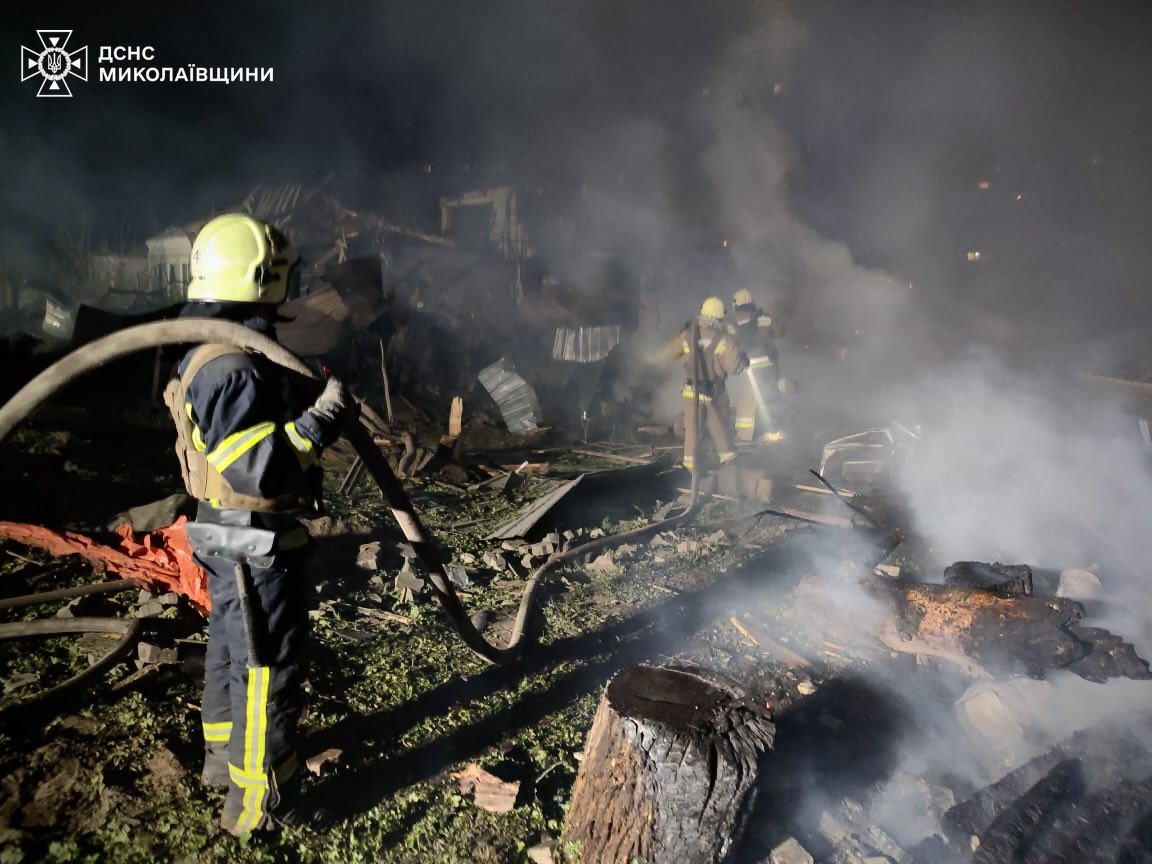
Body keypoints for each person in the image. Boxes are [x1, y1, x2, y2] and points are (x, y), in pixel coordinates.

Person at [163, 213, 352, 836]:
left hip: (220, 531)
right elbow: (262, 471)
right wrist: (322, 422)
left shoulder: (207, 349)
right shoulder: (235, 367)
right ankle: (260, 806)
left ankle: (222, 764)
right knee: (267, 673)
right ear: (262, 278)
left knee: (230, 651)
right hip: (253, 541)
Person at [665, 296, 747, 474]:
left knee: (692, 432)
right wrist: (742, 360)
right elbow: (733, 367)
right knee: (719, 426)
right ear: (719, 318)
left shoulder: (688, 334)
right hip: (710, 392)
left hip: (690, 392)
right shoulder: (725, 339)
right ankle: (729, 461)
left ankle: (690, 469)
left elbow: (671, 354)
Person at [728, 287, 785, 444]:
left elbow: (729, 346)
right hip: (769, 370)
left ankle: (744, 438)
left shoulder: (732, 324)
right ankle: (774, 434)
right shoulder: (763, 319)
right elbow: (781, 331)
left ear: (735, 306)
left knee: (746, 404)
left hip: (748, 370)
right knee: (771, 400)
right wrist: (768, 317)